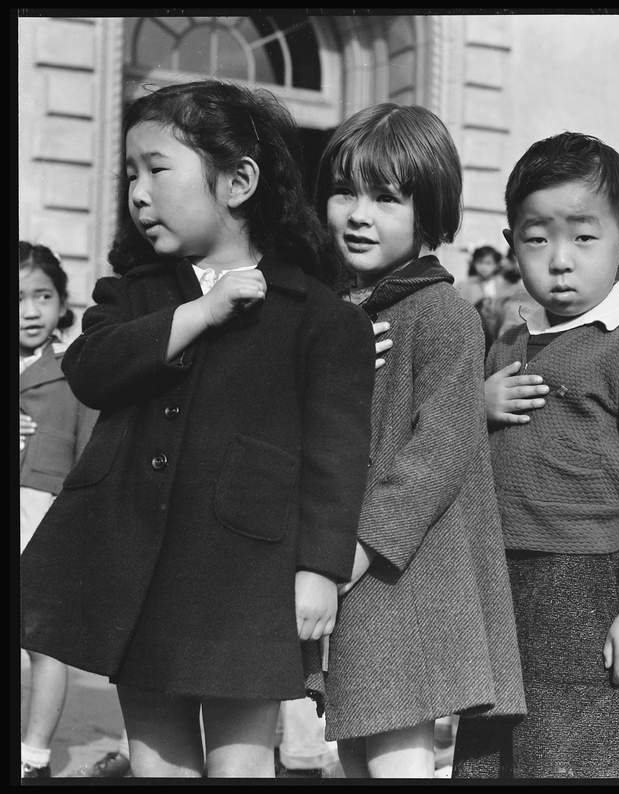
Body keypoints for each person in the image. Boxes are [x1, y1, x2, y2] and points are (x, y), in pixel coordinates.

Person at [19, 80, 376, 778]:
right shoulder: (139, 292)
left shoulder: (322, 315)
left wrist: (320, 569)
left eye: (156, 169)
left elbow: (338, 454)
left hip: (245, 576)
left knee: (241, 766)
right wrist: (199, 315)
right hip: (135, 567)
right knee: (158, 766)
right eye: (130, 174)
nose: (138, 192)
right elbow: (91, 368)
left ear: (238, 181)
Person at [453, 131, 619, 778]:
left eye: (584, 238)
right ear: (510, 246)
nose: (559, 260)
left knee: (576, 761)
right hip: (498, 582)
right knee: (485, 761)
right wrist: (476, 404)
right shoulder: (505, 345)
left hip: (588, 590)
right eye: (537, 238)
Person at [312, 102, 525, 779]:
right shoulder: (343, 311)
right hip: (354, 563)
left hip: (402, 567)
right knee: (355, 749)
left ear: (429, 212)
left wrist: (358, 547)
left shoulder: (442, 315)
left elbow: (439, 448)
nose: (358, 213)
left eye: (385, 197)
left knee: (396, 752)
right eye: (345, 191)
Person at [18, 241, 99, 779]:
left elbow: (90, 450)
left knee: (45, 643)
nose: (29, 310)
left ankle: (35, 755)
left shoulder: (75, 367)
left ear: (60, 301)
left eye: (42, 296)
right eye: (17, 297)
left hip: (41, 512)